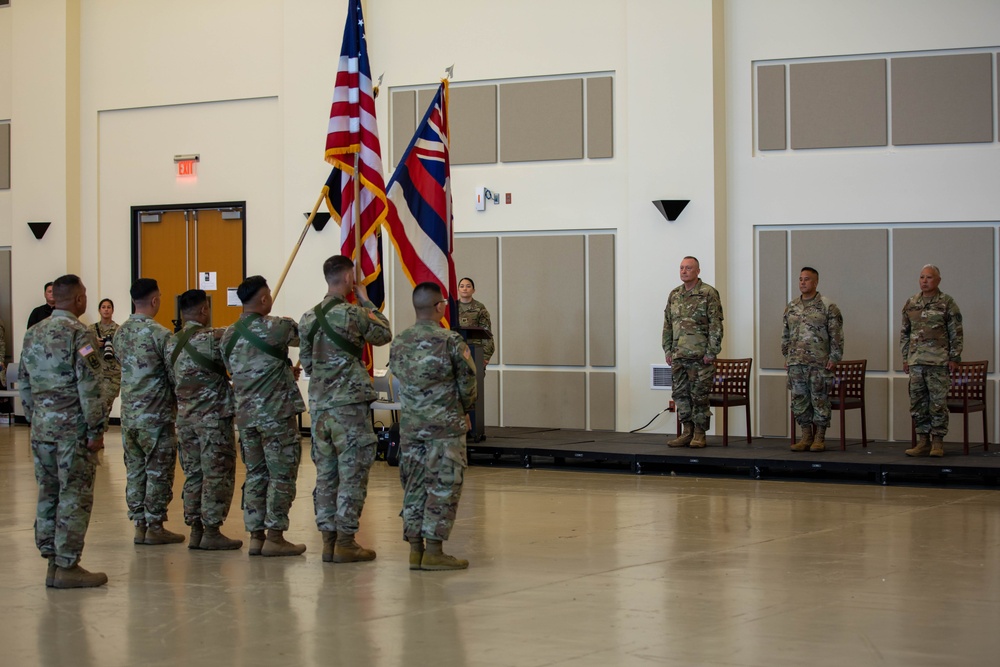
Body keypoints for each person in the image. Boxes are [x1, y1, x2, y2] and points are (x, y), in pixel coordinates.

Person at [298, 256, 392, 563]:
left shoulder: (307, 318)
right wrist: (367, 300)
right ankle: (347, 541)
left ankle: (328, 541)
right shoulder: (354, 313)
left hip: (320, 408)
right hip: (349, 408)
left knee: (326, 475)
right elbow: (384, 333)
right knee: (352, 474)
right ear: (350, 277)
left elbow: (308, 364)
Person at [19, 274, 107, 588]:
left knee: (48, 492)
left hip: (42, 429)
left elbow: (24, 383)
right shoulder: (80, 335)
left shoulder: (32, 333)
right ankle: (68, 565)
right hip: (73, 432)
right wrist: (96, 429)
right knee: (74, 495)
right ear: (79, 299)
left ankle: (52, 561)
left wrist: (35, 417)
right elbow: (90, 385)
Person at [389, 282, 478, 571]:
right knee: (443, 487)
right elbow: (467, 383)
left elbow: (400, 376)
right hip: (445, 429)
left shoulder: (400, 341)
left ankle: (416, 551)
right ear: (439, 307)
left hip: (412, 427)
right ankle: (435, 552)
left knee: (414, 486)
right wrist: (465, 410)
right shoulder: (450, 341)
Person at [222, 275, 307, 556]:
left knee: (256, 474)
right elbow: (305, 336)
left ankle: (256, 536)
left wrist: (282, 370)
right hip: (276, 416)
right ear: (262, 299)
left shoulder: (228, 335)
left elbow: (244, 368)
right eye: (268, 294)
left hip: (245, 417)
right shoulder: (277, 327)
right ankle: (275, 536)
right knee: (281, 474)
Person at [166, 289, 242, 550]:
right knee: (217, 474)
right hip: (213, 420)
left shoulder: (170, 343)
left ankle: (195, 529)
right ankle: (211, 530)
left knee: (193, 474)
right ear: (203, 311)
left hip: (185, 420)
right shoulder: (214, 338)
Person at [115, 278, 183, 545]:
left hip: (129, 415)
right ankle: (155, 525)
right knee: (158, 470)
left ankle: (139, 524)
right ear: (155, 300)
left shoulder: (120, 333)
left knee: (135, 469)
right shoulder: (161, 334)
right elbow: (173, 373)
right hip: (155, 416)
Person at [900, 264, 963, 457]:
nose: (924, 281)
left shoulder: (947, 302)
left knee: (937, 403)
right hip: (916, 362)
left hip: (939, 363)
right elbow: (905, 333)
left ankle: (937, 442)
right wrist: (905, 358)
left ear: (938, 280)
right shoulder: (911, 302)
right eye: (921, 277)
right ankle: (923, 442)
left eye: (928, 277)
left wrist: (954, 357)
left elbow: (956, 332)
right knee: (918, 403)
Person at [662, 256, 724, 448]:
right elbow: (668, 324)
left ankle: (699, 433)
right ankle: (686, 431)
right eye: (681, 268)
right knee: (681, 395)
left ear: (698, 271)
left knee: (699, 396)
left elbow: (716, 325)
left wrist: (712, 351)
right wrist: (667, 349)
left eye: (688, 268)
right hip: (679, 355)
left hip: (700, 357)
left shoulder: (708, 293)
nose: (684, 271)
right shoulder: (674, 294)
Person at [782, 267, 844, 452]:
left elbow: (837, 335)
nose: (802, 282)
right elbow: (785, 333)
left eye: (807, 279)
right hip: (796, 363)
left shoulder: (827, 306)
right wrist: (787, 355)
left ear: (816, 282)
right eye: (800, 279)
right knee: (799, 400)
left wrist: (834, 358)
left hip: (819, 363)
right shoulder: (791, 306)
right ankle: (806, 436)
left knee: (819, 400)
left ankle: (819, 437)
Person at [94, 298, 121, 427]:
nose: (106, 309)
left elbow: (125, 351)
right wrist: (94, 344)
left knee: (105, 405)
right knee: (97, 406)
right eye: (103, 307)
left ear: (113, 310)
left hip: (113, 375)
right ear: (99, 310)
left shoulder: (119, 330)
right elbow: (82, 351)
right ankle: (98, 433)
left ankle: (99, 433)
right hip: (95, 373)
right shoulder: (91, 330)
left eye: (108, 307)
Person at [456, 277, 495, 364]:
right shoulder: (452, 307)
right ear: (458, 290)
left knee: (476, 377)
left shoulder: (479, 308)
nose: (465, 289)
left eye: (468, 286)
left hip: (475, 351)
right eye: (462, 286)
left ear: (473, 290)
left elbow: (487, 334)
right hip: (456, 351)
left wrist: (485, 356)